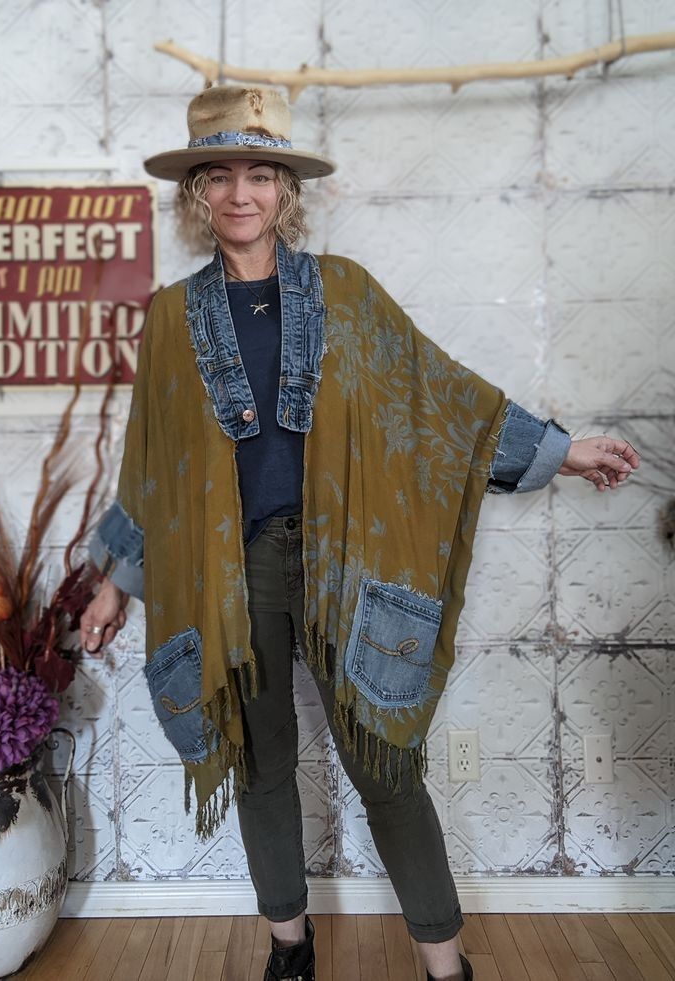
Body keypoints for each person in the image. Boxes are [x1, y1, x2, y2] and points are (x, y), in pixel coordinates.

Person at [80, 85, 640, 981]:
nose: (240, 194)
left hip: (347, 562)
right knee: (262, 767)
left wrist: (563, 452)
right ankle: (290, 949)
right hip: (234, 575)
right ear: (196, 194)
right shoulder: (168, 323)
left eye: (259, 173)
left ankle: (446, 965)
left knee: (384, 762)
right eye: (218, 176)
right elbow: (152, 468)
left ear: (284, 191)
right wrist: (114, 580)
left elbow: (439, 397)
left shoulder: (342, 292)